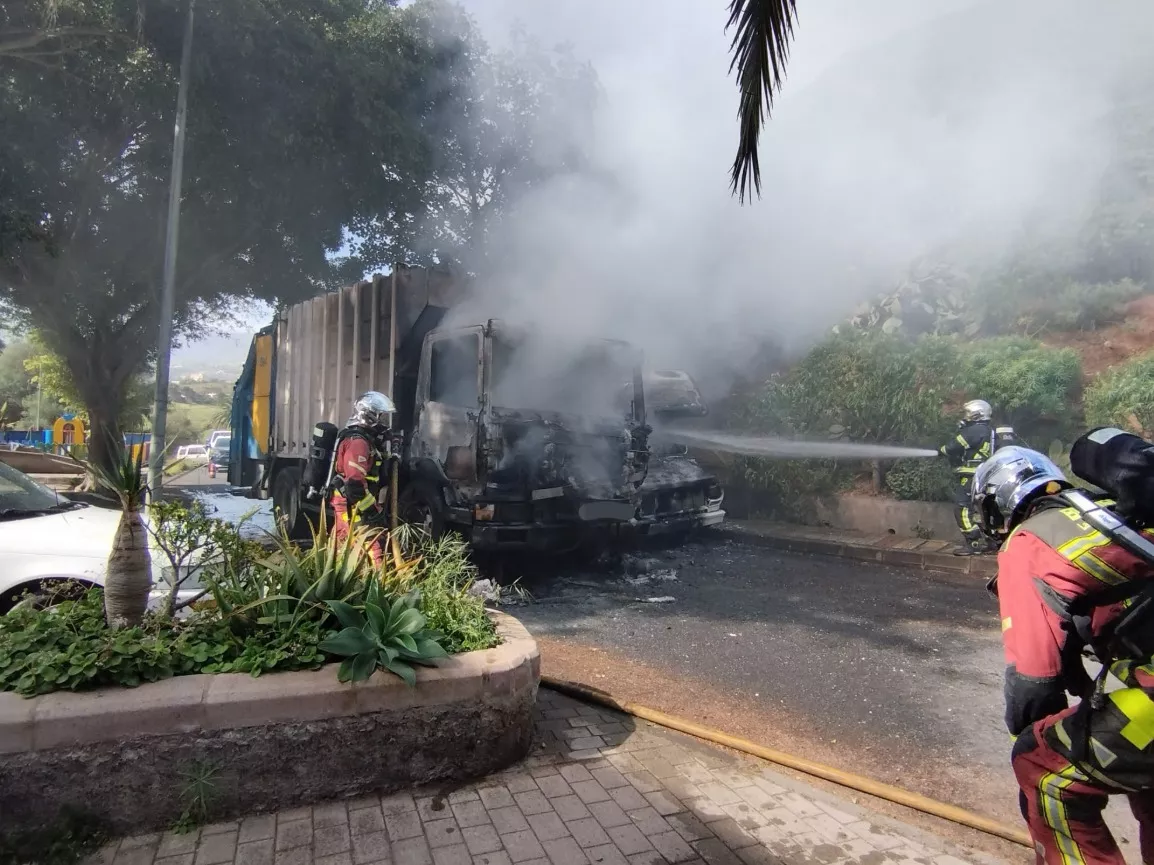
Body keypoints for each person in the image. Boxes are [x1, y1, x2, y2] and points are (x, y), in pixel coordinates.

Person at [972, 445, 1154, 865]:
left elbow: (1033, 681)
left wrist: (1033, 729)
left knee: (1043, 766)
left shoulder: (1030, 540)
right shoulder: (1106, 511)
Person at [329, 391, 395, 564]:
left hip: (353, 503)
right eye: (381, 417)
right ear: (369, 416)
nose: (383, 423)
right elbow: (355, 485)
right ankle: (378, 585)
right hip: (354, 504)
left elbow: (374, 465)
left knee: (343, 544)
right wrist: (372, 511)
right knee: (373, 546)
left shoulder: (365, 440)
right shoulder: (358, 443)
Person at [940, 399, 997, 555]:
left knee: (962, 508)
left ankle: (973, 543)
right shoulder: (989, 431)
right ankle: (992, 542)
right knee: (983, 510)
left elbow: (952, 447)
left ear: (976, 414)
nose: (965, 417)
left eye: (968, 414)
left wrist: (941, 451)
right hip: (987, 476)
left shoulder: (973, 431)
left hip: (971, 476)